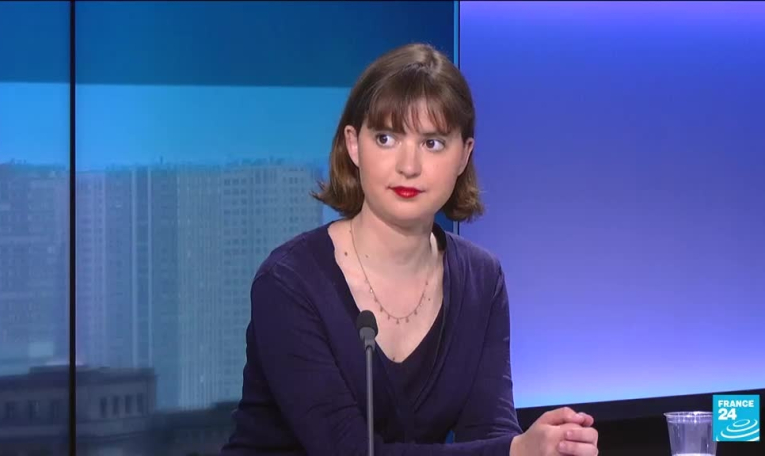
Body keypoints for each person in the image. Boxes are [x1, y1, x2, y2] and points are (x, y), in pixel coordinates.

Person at [220, 42, 599, 456]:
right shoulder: (289, 282)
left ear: (464, 155)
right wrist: (515, 452)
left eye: (432, 143)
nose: (409, 166)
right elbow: (347, 451)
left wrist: (547, 448)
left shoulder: (481, 279)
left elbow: (488, 432)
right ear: (353, 145)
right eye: (386, 138)